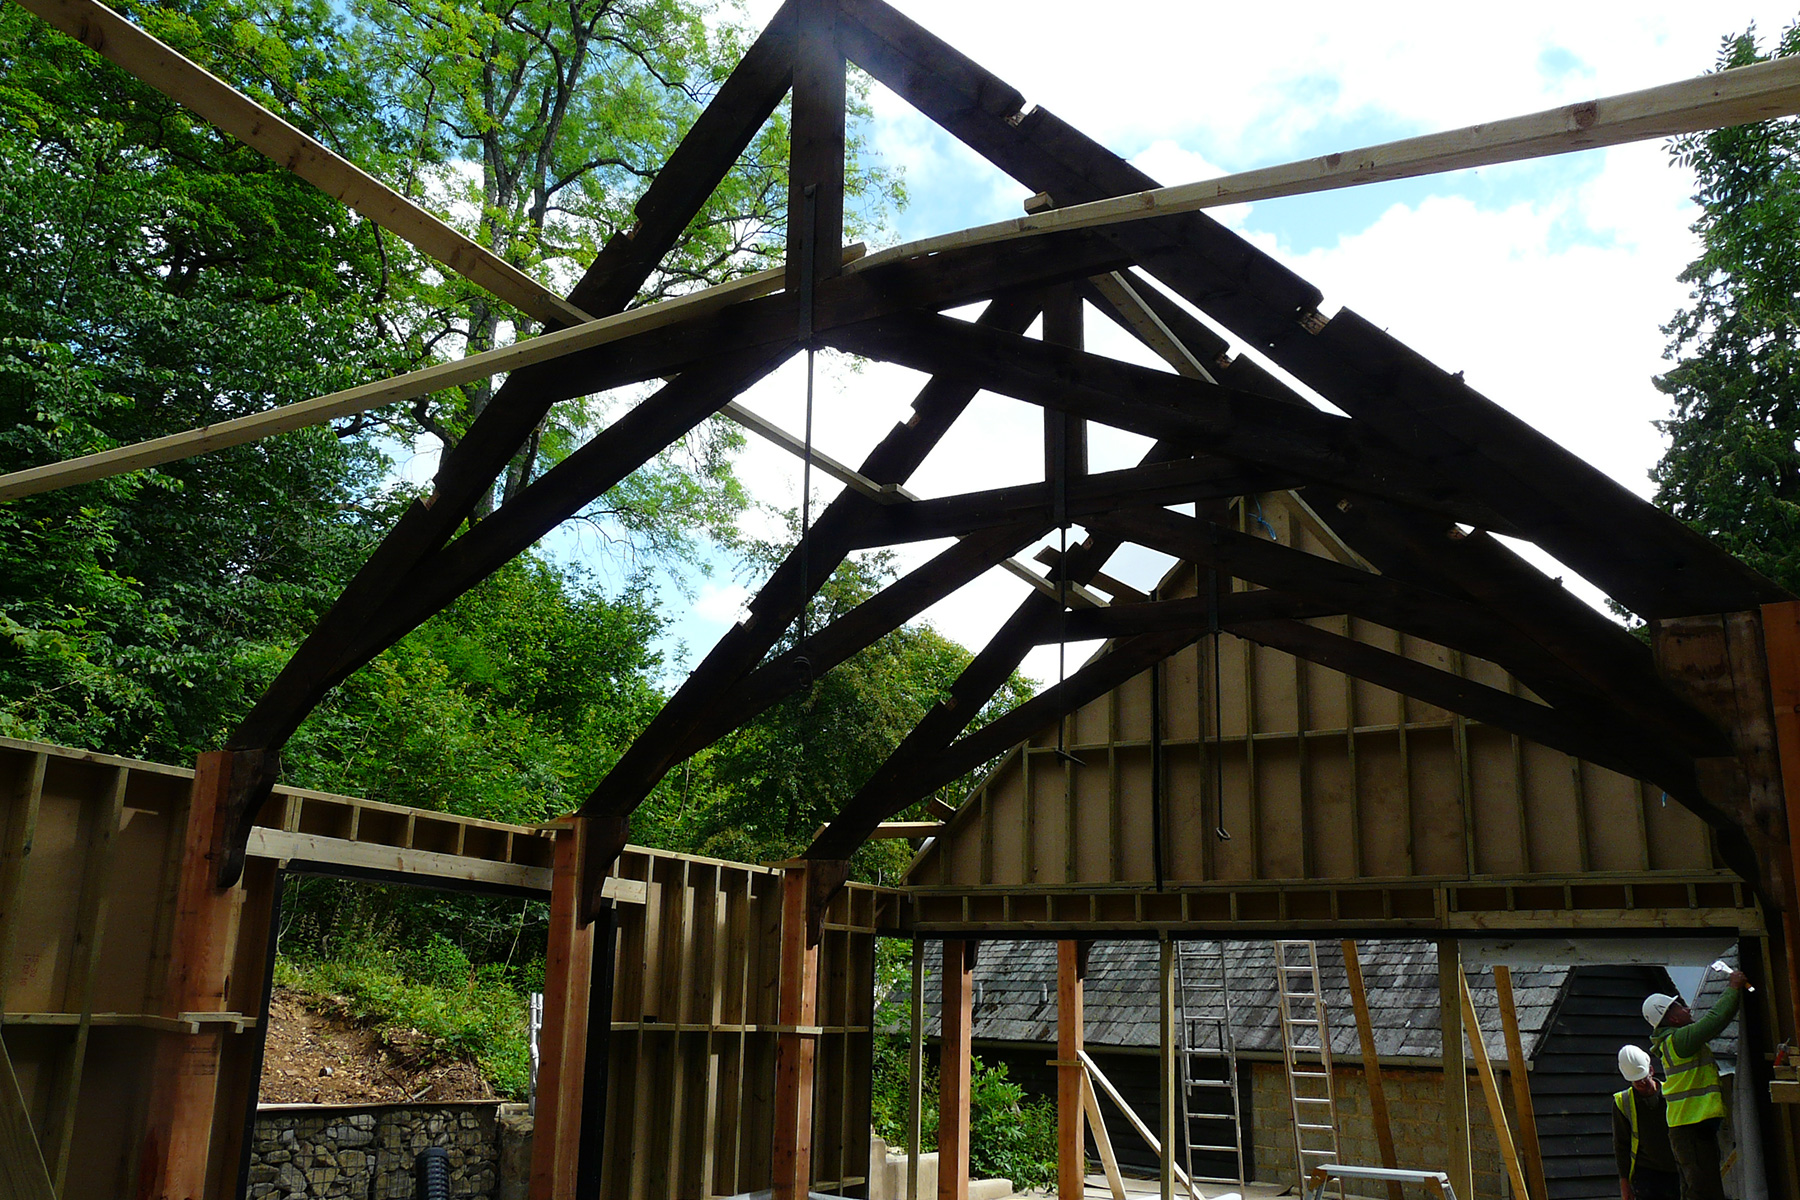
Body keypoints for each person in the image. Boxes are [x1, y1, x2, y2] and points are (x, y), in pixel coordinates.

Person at [1642, 970, 1749, 1200]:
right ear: (1671, 1018)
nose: (1687, 1009)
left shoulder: (1673, 1043)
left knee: (1695, 1190)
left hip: (1688, 1129)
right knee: (1704, 1192)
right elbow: (1714, 1021)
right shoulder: (1680, 1041)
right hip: (1691, 1129)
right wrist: (1733, 988)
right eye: (1680, 1007)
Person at [1613, 1044, 1681, 1200]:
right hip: (1646, 1175)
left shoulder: (1672, 1093)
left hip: (1676, 1170)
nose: (1641, 1084)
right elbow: (1621, 1145)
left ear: (1651, 1070)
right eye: (1636, 1081)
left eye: (1643, 1079)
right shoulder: (1623, 1102)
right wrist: (1624, 1184)